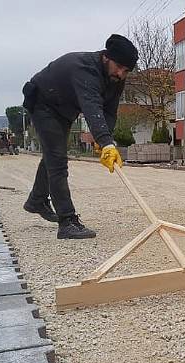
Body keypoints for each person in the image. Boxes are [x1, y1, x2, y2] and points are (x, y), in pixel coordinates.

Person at [21, 34, 138, 239]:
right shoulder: (84, 69)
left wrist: (105, 141)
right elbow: (92, 106)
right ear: (106, 57)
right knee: (57, 160)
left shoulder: (116, 79)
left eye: (126, 71)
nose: (121, 73)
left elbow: (109, 111)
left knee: (52, 154)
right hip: (43, 103)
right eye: (119, 66)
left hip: (64, 109)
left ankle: (37, 200)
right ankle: (67, 222)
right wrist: (105, 141)